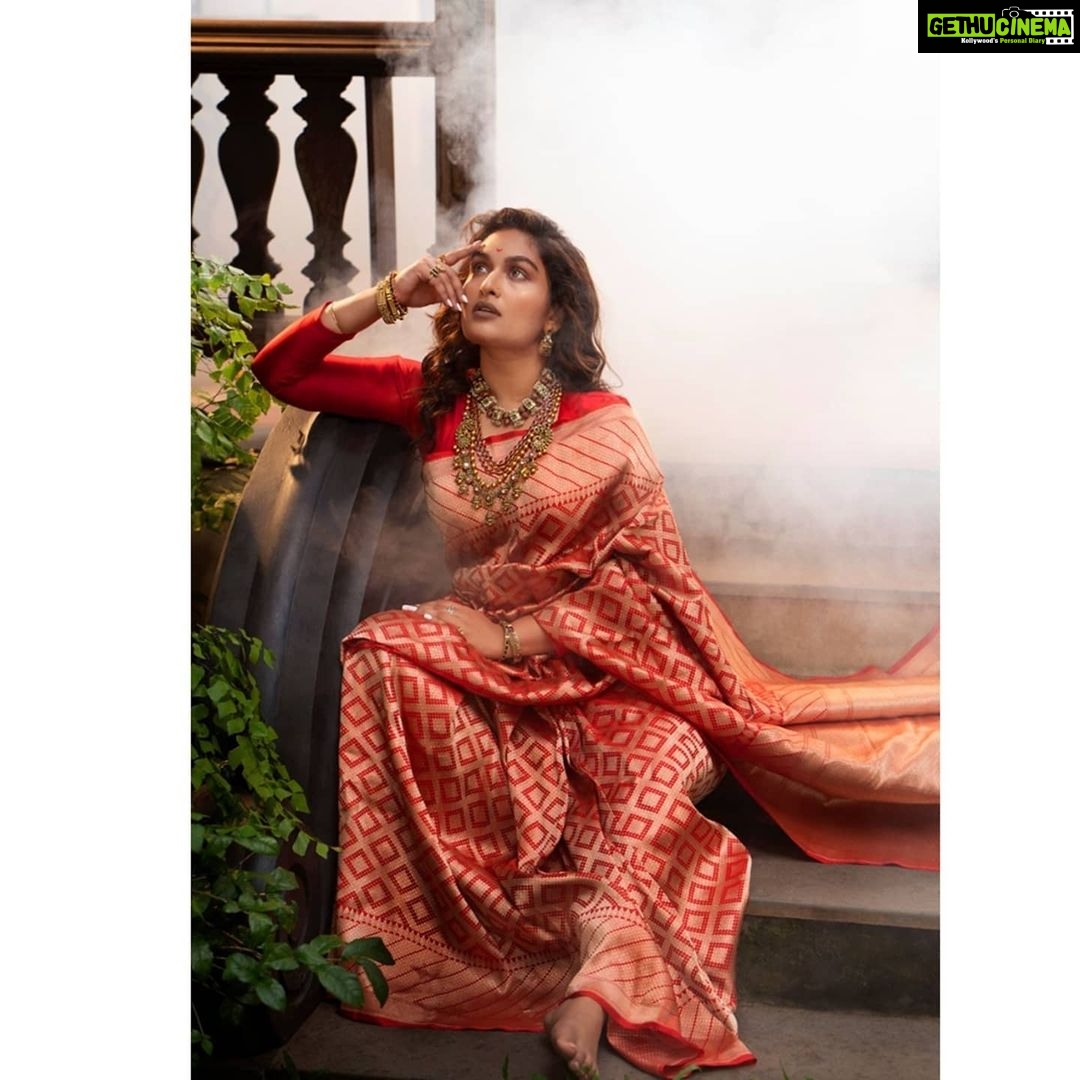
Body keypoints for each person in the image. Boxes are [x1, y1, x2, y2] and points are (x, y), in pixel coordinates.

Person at [250, 207, 939, 1079]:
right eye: (479, 266)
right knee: (382, 649)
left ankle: (598, 987)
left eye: (518, 272)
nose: (489, 282)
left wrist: (513, 633)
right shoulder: (428, 399)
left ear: (557, 312)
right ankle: (470, 920)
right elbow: (281, 370)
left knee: (637, 800)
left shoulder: (604, 422)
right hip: (489, 666)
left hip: (627, 669)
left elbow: (650, 583)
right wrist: (395, 292)